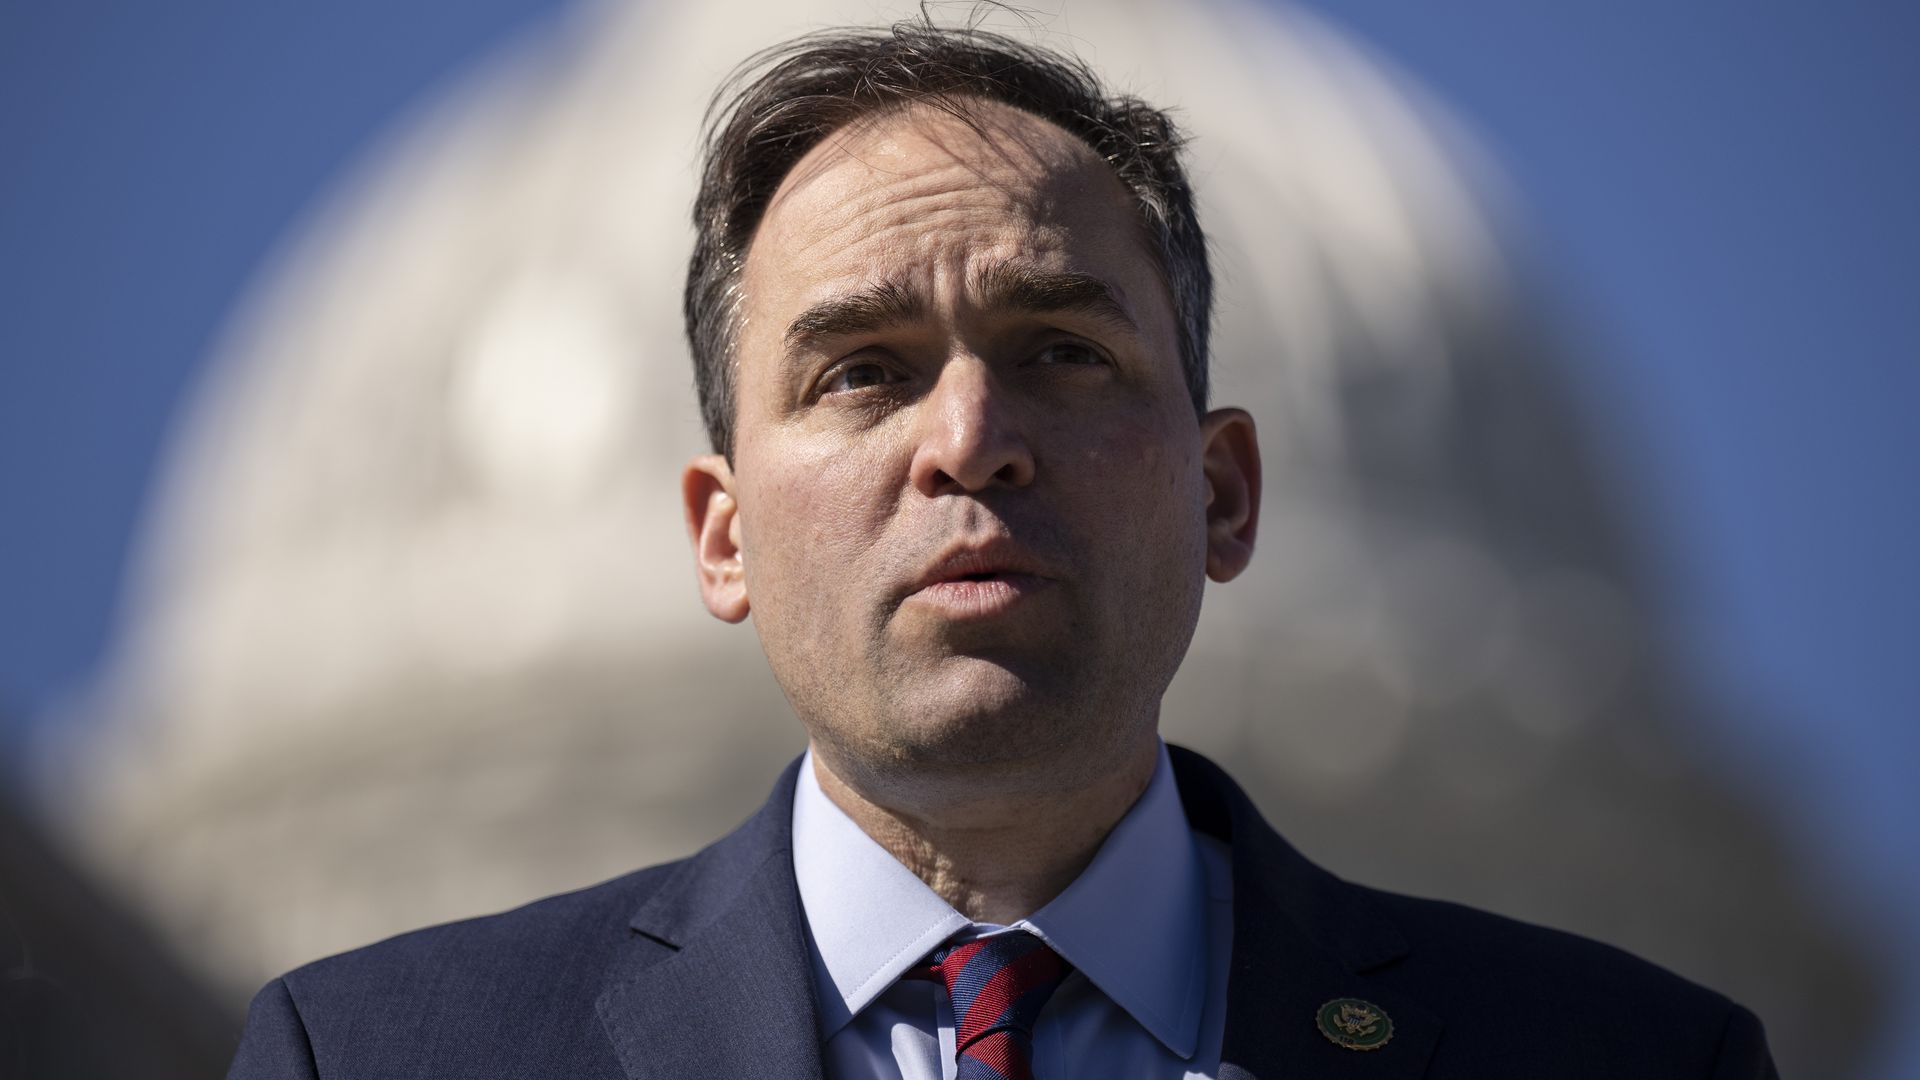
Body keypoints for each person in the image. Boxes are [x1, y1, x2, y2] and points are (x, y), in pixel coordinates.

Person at [227, 21, 1777, 1079]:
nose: (968, 441)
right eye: (862, 372)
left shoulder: (1632, 1063)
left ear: (1225, 493)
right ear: (723, 535)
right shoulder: (373, 1061)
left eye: (1063, 354)